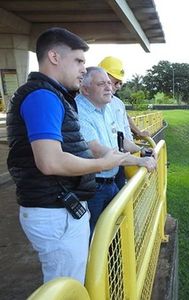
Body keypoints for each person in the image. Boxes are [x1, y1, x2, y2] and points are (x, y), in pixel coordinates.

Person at [6, 27, 129, 284]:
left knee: (70, 281)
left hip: (59, 207)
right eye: (79, 61)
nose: (84, 69)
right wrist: (101, 163)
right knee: (68, 286)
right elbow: (50, 161)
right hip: (55, 211)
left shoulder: (53, 95)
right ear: (54, 57)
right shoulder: (43, 96)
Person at [76, 67, 157, 235]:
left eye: (109, 83)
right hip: (93, 186)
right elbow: (98, 151)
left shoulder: (106, 107)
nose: (109, 88)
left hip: (110, 181)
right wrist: (138, 161)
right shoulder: (79, 111)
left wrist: (142, 150)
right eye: (101, 84)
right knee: (94, 236)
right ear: (85, 90)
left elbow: (120, 141)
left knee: (113, 232)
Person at [99, 56, 150, 189]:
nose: (117, 86)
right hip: (106, 166)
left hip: (122, 158)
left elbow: (123, 125)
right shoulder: (97, 104)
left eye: (119, 83)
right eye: (114, 81)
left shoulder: (116, 102)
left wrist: (138, 134)